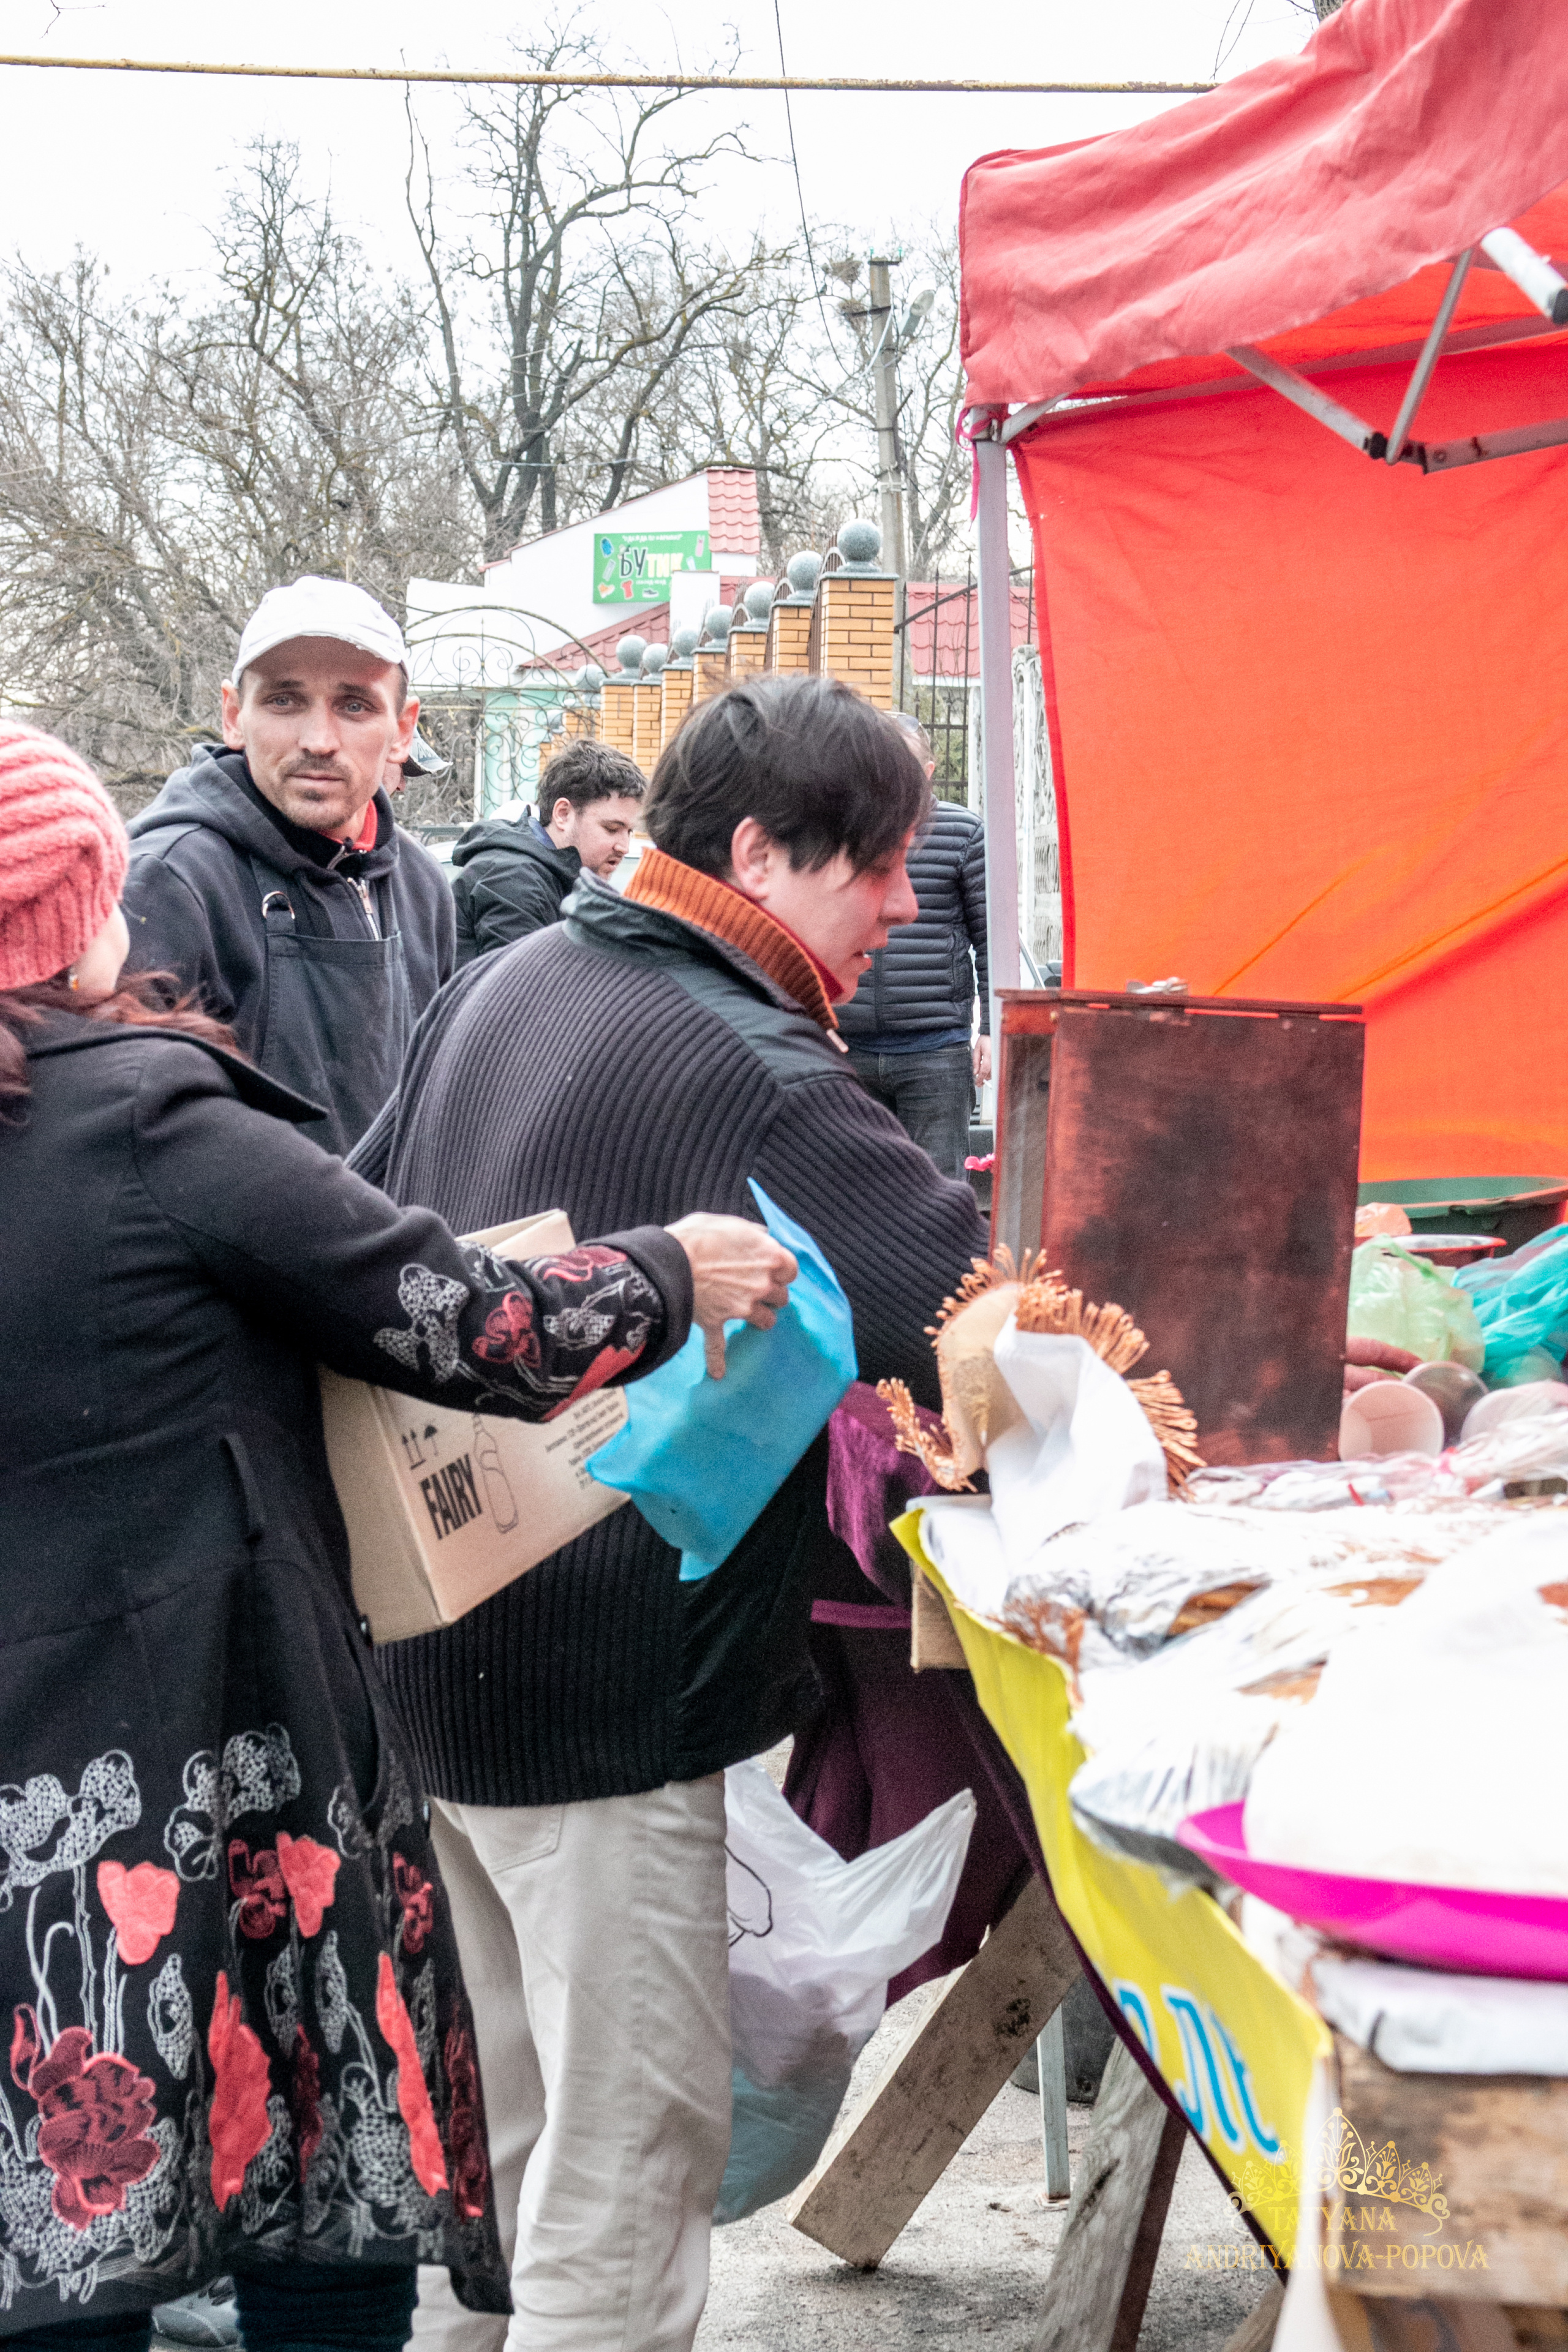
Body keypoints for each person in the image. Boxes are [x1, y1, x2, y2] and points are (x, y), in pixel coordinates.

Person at [0, 720, 796, 2352]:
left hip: (32, 1800)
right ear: (78, 907)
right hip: (208, 1755)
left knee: (62, 2220)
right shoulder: (151, 1123)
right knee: (309, 2187)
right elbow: (459, 1320)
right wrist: (670, 1271)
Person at [351, 674, 989, 2352]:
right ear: (766, 854)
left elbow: (370, 1250)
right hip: (605, 1685)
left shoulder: (502, 980)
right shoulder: (756, 1053)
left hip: (431, 1663)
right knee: (625, 2173)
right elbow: (976, 1308)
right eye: (885, 868)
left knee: (495, 2158)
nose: (909, 910)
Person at [122, 578, 456, 1156]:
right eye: (284, 700)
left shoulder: (422, 888)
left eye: (355, 705)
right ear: (234, 716)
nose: (319, 739)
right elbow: (128, 1149)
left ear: (402, 730)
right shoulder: (169, 883)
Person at [837, 717, 990, 1180]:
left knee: (938, 1194)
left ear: (927, 770)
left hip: (936, 1052)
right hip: (848, 1047)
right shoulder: (838, 834)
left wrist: (992, 1031)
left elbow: (990, 937)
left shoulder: (963, 833)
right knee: (855, 1193)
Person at [449, 741, 645, 965]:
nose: (624, 847)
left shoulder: (553, 877)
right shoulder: (515, 880)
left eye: (629, 831)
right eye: (612, 829)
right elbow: (521, 993)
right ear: (563, 814)